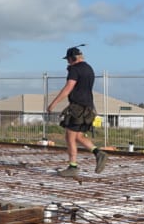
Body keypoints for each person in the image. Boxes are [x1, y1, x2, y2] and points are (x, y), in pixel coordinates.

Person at [45, 46, 107, 176]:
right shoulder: (89, 68)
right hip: (89, 107)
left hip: (77, 108)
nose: (68, 63)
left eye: (68, 60)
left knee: (70, 137)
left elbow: (68, 88)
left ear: (72, 58)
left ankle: (73, 167)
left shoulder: (74, 69)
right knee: (78, 136)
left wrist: (53, 104)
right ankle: (98, 153)